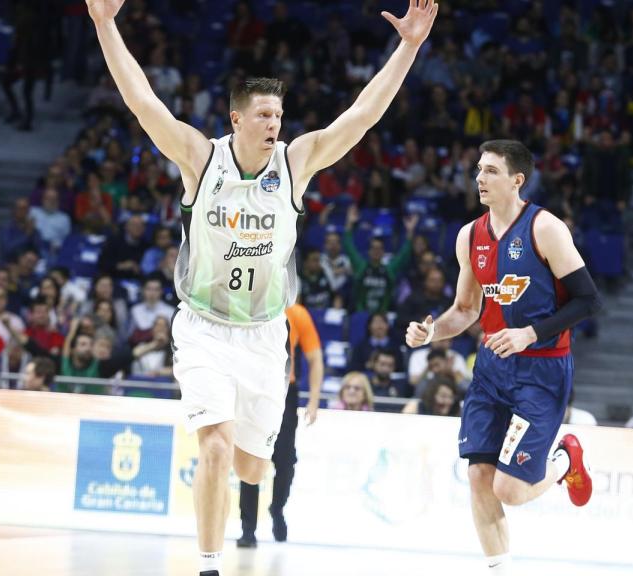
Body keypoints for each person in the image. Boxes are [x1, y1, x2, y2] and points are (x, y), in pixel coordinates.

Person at [87, 1, 437, 574]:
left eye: (280, 115)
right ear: (237, 120)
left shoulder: (296, 164)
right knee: (216, 448)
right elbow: (141, 100)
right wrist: (106, 24)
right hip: (202, 327)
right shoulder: (201, 159)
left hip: (264, 336)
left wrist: (409, 47)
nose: (276, 125)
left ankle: (234, 492)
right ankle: (208, 565)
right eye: (266, 116)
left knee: (251, 468)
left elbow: (361, 117)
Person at [405, 139, 601, 573]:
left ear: (517, 180)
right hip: (492, 369)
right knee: (478, 477)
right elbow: (465, 311)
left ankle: (567, 457)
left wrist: (530, 333)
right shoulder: (469, 236)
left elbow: (588, 301)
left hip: (542, 369)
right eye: (478, 169)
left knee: (510, 489)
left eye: (491, 170)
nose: (479, 177)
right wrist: (431, 332)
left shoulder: (545, 229)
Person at [237, 299, 323, 548]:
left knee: (285, 461)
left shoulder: (296, 313)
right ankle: (248, 529)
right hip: (253, 389)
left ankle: (277, 508)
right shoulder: (249, 307)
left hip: (285, 391)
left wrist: (314, 400)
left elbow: (315, 358)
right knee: (250, 455)